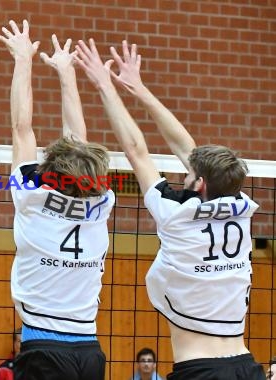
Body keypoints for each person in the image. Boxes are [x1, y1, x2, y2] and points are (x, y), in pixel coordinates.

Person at [75, 38, 265, 379]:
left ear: (201, 183)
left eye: (190, 173)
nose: (184, 171)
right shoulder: (242, 206)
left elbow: (137, 151)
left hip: (201, 370)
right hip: (246, 365)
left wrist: (106, 86)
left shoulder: (176, 214)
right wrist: (139, 88)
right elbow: (186, 148)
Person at [0, 20, 115, 380]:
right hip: (90, 350)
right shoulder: (101, 202)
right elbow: (78, 140)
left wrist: (23, 60)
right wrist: (66, 71)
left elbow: (22, 128)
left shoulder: (31, 197)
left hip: (44, 348)